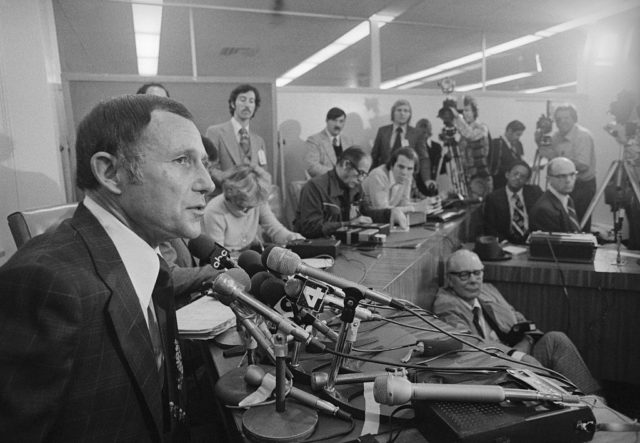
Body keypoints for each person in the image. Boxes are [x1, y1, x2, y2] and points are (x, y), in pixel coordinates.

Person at [0, 94, 214, 440]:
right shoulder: (45, 283)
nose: (208, 182)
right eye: (182, 160)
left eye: (205, 162)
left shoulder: (147, 262)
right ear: (110, 172)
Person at [433, 249, 601, 395]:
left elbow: (519, 318)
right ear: (449, 279)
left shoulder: (487, 290)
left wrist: (526, 341)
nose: (473, 280)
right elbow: (471, 345)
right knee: (539, 369)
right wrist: (517, 355)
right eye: (464, 275)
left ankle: (595, 399)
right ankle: (576, 404)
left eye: (477, 273)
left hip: (517, 356)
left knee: (556, 339)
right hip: (493, 371)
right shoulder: (447, 305)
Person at [295, 146, 403, 238]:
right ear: (346, 165)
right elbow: (310, 228)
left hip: (346, 246)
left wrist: (390, 213)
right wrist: (349, 224)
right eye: (360, 173)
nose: (362, 179)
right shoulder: (314, 188)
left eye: (365, 175)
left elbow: (366, 212)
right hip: (318, 252)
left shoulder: (355, 186)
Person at [203, 165, 303, 251]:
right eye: (246, 205)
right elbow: (218, 256)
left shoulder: (257, 201)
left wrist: (293, 238)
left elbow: (275, 230)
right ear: (231, 192)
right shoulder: (214, 212)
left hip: (248, 255)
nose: (250, 209)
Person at [537, 104, 596, 231]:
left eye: (566, 118)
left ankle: (582, 249)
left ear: (574, 119)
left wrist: (555, 157)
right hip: (561, 185)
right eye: (558, 119)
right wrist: (539, 142)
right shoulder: (556, 136)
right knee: (564, 222)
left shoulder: (583, 136)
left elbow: (583, 165)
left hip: (581, 186)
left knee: (580, 223)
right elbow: (549, 157)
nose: (562, 121)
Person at [205, 84, 270, 189]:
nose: (247, 105)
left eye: (251, 101)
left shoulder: (259, 141)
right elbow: (208, 167)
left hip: (251, 200)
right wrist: (232, 181)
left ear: (255, 107)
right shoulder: (215, 132)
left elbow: (263, 172)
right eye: (243, 100)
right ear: (233, 104)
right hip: (223, 198)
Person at [371, 99, 431, 194]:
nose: (402, 113)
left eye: (406, 111)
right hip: (384, 178)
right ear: (393, 112)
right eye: (399, 110)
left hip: (406, 179)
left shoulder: (417, 133)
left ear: (409, 114)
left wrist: (427, 179)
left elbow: (423, 158)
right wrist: (370, 176)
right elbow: (374, 156)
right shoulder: (382, 131)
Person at [483, 160, 543, 244]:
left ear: (527, 180)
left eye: (522, 176)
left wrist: (536, 236)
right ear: (507, 175)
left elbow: (543, 218)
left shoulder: (535, 193)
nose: (518, 178)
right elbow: (489, 227)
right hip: (506, 243)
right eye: (515, 174)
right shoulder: (493, 198)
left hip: (531, 241)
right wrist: (503, 242)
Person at [451, 95, 493, 199]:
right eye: (461, 111)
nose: (464, 114)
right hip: (466, 177)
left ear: (474, 111)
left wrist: (457, 118)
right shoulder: (460, 131)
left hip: (480, 177)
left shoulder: (481, 127)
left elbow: (470, 135)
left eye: (467, 110)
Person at [530, 157, 583, 233]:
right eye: (562, 176)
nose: (568, 180)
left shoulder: (567, 199)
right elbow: (559, 244)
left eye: (572, 174)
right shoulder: (544, 210)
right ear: (549, 179)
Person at [305, 107, 354, 178]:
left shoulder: (349, 141)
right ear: (327, 120)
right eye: (334, 120)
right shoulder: (313, 140)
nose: (338, 125)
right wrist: (338, 174)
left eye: (341, 121)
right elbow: (312, 167)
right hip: (325, 184)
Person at [491, 120, 526, 189]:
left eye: (520, 135)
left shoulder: (518, 144)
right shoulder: (497, 144)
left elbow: (521, 160)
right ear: (509, 131)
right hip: (500, 184)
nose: (518, 138)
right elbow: (495, 168)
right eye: (517, 134)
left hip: (516, 184)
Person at [416, 118, 445, 182]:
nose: (424, 131)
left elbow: (441, 167)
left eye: (426, 128)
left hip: (434, 181)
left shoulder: (437, 147)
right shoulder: (412, 146)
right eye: (421, 127)